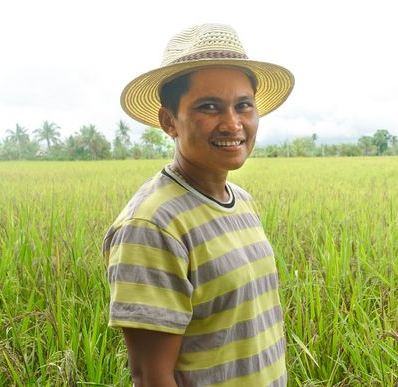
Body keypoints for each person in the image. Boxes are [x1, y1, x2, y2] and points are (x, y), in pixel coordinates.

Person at [103, 23, 294, 386]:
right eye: (209, 107)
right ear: (169, 121)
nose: (232, 123)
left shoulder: (243, 203)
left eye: (244, 106)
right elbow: (150, 377)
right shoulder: (153, 225)